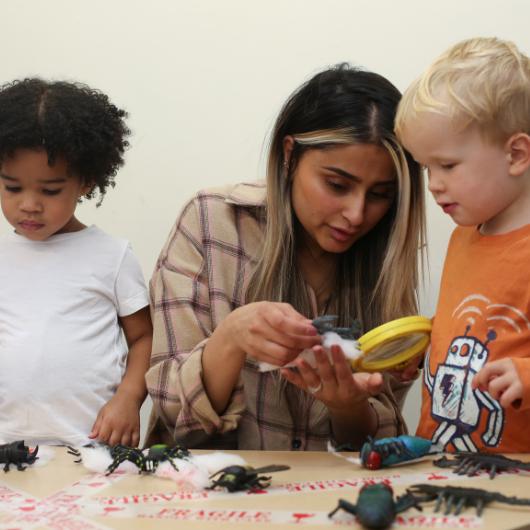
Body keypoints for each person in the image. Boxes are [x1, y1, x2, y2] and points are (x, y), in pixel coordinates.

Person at [146, 64, 426, 450]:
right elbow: (172, 417)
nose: (357, 214)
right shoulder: (211, 220)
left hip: (325, 501)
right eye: (337, 185)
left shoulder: (387, 255)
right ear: (289, 154)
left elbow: (380, 443)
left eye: (380, 194)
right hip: (208, 498)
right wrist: (230, 338)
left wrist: (347, 406)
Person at [0, 79, 153, 447]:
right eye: (12, 187)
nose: (29, 205)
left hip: (90, 446)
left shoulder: (111, 256)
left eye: (50, 190)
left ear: (86, 181)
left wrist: (129, 398)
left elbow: (144, 337)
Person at [395, 37, 530, 453]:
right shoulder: (463, 237)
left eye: (448, 165)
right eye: (426, 168)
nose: (434, 185)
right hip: (442, 467)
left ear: (517, 153)